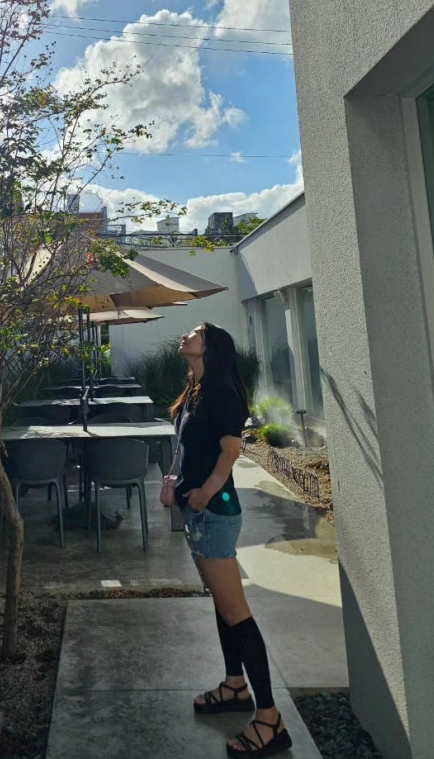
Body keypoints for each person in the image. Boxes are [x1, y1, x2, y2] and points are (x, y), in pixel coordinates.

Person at [171, 322, 292, 758]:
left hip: (214, 514)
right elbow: (192, 450)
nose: (186, 336)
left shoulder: (220, 391)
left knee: (237, 613)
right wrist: (175, 483)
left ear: (212, 347)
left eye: (195, 333)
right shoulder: (196, 391)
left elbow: (230, 450)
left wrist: (205, 492)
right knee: (225, 607)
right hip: (200, 513)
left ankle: (270, 719)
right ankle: (235, 685)